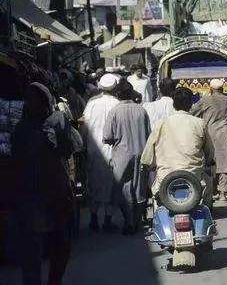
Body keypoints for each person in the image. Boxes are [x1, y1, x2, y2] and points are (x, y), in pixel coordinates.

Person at [12, 83, 75, 285]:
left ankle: (51, 280)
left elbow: (67, 149)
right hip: (43, 198)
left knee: (44, 248)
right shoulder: (30, 131)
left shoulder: (39, 128)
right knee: (46, 247)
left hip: (41, 198)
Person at [141, 87, 214, 206]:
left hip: (165, 182)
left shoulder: (161, 123)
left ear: (174, 104)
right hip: (194, 181)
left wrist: (148, 165)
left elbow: (147, 156)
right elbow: (210, 152)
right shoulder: (199, 123)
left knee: (158, 210)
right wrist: (209, 161)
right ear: (191, 104)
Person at [103, 80, 151, 235]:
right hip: (141, 153)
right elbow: (149, 134)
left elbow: (107, 137)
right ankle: (136, 221)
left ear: (117, 94)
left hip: (122, 155)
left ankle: (129, 223)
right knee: (139, 187)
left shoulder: (115, 111)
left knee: (123, 188)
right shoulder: (141, 111)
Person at [80, 74, 120, 232]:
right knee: (110, 185)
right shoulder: (117, 104)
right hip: (112, 149)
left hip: (93, 149)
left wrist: (82, 143)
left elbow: (84, 125)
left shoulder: (92, 103)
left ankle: (94, 218)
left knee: (93, 184)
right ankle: (108, 220)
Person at [191, 79, 227, 202]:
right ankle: (223, 194)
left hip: (209, 133)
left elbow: (193, 111)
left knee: (209, 164)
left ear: (210, 89)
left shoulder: (206, 100)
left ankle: (212, 192)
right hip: (224, 133)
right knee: (224, 163)